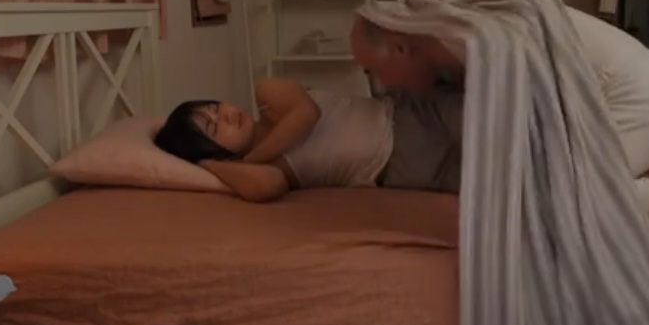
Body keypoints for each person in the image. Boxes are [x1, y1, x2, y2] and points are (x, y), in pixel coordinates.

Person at [348, 0, 649, 220]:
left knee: (554, 210)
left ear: (401, 47)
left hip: (640, 98)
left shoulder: (489, 49)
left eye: (375, 71)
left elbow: (533, 158)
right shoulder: (454, 13)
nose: (380, 85)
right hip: (614, 96)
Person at [152, 77, 463, 203]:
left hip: (410, 113)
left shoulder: (267, 97)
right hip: (400, 167)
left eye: (216, 107)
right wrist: (208, 164)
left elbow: (307, 113)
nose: (226, 115)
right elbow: (269, 186)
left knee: (483, 119)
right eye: (213, 128)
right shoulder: (268, 170)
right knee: (486, 183)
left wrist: (248, 158)